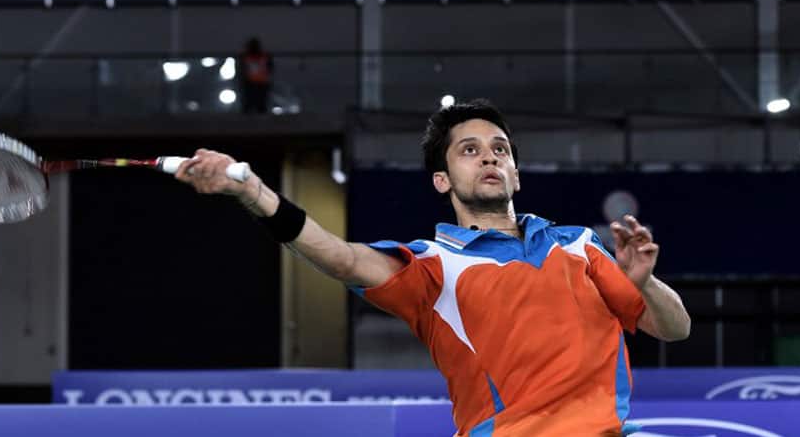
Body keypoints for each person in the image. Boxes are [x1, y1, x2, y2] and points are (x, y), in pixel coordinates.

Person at [175, 99, 691, 437]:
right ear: (443, 180)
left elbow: (674, 328)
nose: (489, 158)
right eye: (470, 151)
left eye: (499, 150)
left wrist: (644, 283)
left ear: (515, 172)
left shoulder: (577, 244)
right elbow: (340, 257)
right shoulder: (433, 265)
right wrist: (255, 193)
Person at [239, 37, 273, 113]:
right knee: (255, 105)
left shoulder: (245, 57)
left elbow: (242, 70)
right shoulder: (264, 56)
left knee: (256, 104)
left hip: (257, 83)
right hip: (256, 83)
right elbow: (270, 68)